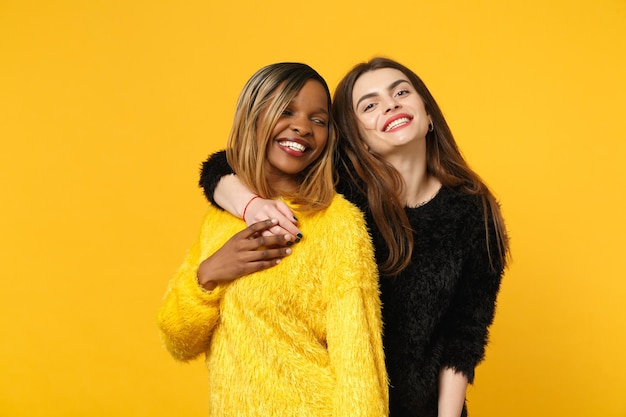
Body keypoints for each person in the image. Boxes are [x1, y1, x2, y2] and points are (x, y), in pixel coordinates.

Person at [199, 57, 510, 417]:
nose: (390, 104)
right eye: (370, 104)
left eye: (401, 92)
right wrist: (251, 205)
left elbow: (465, 334)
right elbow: (222, 166)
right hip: (335, 405)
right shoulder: (338, 192)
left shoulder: (474, 211)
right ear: (357, 139)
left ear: (427, 115)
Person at [157, 62, 388, 417]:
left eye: (319, 120)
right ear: (253, 117)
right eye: (286, 110)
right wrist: (210, 273)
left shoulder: (338, 222)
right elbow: (178, 342)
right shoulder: (219, 219)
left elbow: (359, 359)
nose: (302, 127)